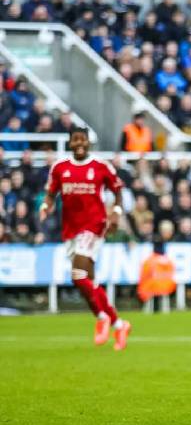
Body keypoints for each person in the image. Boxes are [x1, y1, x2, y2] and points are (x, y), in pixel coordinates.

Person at [39, 127, 131, 351]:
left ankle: (102, 319)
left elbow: (117, 190)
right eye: (75, 140)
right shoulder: (60, 167)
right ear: (70, 143)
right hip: (71, 229)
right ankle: (119, 324)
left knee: (78, 274)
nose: (79, 143)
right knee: (86, 280)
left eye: (83, 140)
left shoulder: (101, 166)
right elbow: (52, 193)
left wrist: (116, 213)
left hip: (94, 226)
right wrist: (45, 206)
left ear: (89, 143)